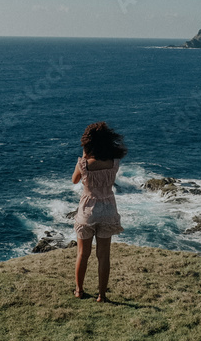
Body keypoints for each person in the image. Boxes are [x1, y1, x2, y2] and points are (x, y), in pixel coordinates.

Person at [71, 121, 127, 302]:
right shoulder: (114, 163)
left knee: (82, 254)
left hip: (87, 211)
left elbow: (74, 180)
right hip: (108, 210)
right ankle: (102, 295)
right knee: (103, 256)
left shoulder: (84, 164)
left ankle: (79, 291)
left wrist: (84, 155)